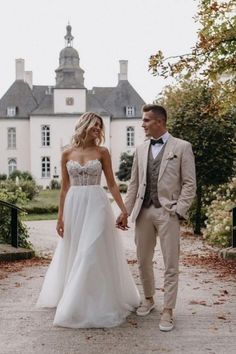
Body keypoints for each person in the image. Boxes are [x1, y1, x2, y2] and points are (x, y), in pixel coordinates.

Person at [37, 112, 140, 328]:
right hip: (75, 205)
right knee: (76, 250)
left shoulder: (103, 152)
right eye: (95, 125)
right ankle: (79, 297)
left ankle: (88, 303)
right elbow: (64, 188)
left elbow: (111, 184)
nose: (98, 130)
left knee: (90, 250)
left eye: (100, 127)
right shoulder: (66, 153)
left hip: (97, 204)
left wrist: (124, 211)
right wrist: (59, 218)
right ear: (84, 125)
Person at [116, 104, 196, 331]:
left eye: (146, 120)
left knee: (171, 263)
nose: (142, 124)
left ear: (159, 121)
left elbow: (189, 184)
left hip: (168, 212)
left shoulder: (182, 147)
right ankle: (149, 299)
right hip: (143, 211)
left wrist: (179, 209)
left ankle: (168, 310)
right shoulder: (140, 150)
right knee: (142, 260)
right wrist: (125, 211)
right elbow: (133, 184)